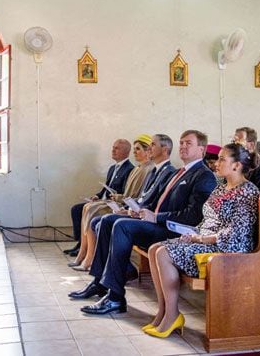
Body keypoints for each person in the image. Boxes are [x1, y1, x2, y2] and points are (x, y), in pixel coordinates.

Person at [73, 130, 216, 315]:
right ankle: (100, 283)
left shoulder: (204, 175)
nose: (182, 147)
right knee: (108, 220)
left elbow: (194, 215)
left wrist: (156, 217)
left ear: (202, 150)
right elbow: (157, 200)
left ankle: (115, 298)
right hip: (161, 223)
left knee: (121, 226)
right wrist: (141, 212)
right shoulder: (181, 172)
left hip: (177, 232)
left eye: (188, 143)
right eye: (181, 143)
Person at [144, 143, 260, 338]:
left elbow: (237, 233)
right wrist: (192, 234)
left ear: (237, 165)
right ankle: (164, 311)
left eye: (223, 159)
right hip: (205, 239)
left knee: (164, 253)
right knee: (154, 249)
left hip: (227, 250)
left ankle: (172, 315)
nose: (216, 163)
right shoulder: (221, 188)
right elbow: (207, 220)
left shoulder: (247, 192)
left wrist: (201, 238)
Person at [70, 134, 154, 270]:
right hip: (123, 203)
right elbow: (127, 193)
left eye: (138, 149)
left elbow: (139, 196)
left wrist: (121, 201)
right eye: (134, 149)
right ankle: (83, 253)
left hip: (130, 207)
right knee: (87, 207)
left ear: (148, 151)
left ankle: (89, 258)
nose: (135, 152)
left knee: (93, 213)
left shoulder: (148, 169)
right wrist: (118, 197)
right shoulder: (138, 168)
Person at [63, 139, 135, 256]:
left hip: (113, 203)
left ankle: (85, 248)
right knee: (76, 209)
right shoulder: (113, 168)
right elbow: (106, 188)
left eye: (117, 148)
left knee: (88, 209)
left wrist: (111, 198)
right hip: (102, 201)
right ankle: (81, 243)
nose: (113, 150)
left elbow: (124, 192)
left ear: (126, 152)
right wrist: (97, 196)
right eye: (113, 147)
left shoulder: (129, 169)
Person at [234, 127, 260, 191]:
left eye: (239, 142)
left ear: (251, 145)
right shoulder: (233, 164)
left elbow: (259, 194)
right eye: (234, 141)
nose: (234, 145)